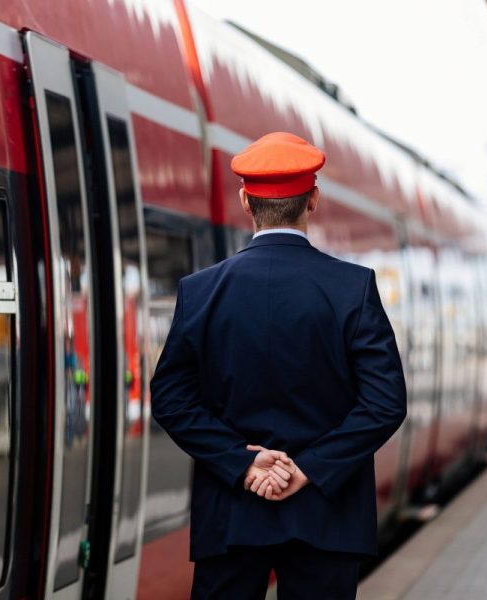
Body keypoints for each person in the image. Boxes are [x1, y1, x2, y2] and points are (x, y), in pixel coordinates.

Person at [150, 132, 407, 599]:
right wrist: (308, 469)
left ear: (245, 201)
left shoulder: (200, 291)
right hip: (327, 517)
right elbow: (385, 404)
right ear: (313, 200)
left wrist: (244, 465)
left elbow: (170, 398)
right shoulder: (353, 289)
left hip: (230, 515)